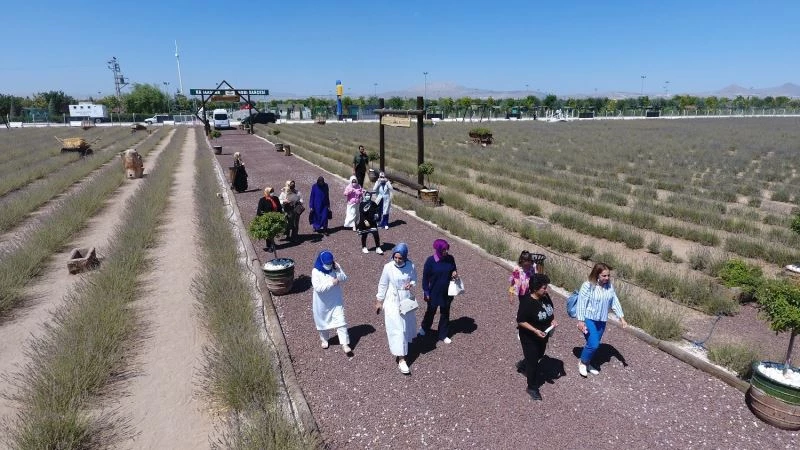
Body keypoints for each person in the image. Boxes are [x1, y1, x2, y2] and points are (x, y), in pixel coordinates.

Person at [576, 262, 628, 377]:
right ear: (597, 275)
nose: (607, 278)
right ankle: (582, 362)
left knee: (594, 343)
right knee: (593, 344)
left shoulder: (609, 286)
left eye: (608, 275)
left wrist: (622, 318)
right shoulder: (587, 285)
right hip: (589, 319)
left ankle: (588, 363)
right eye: (604, 276)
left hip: (602, 321)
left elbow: (614, 301)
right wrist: (580, 321)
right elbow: (581, 303)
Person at [375, 243, 418, 375]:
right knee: (397, 329)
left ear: (405, 257)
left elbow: (414, 279)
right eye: (396, 257)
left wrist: (410, 284)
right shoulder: (388, 267)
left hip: (405, 300)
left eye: (400, 258)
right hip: (392, 300)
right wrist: (379, 301)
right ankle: (401, 359)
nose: (398, 260)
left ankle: (403, 348)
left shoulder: (411, 266)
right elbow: (383, 284)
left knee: (406, 327)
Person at [517, 273, 557, 401]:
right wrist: (535, 331)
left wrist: (553, 321)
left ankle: (524, 364)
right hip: (530, 337)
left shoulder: (545, 297)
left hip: (543, 335)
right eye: (544, 288)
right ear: (535, 288)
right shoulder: (527, 302)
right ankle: (532, 387)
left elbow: (550, 311)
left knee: (539, 355)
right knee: (533, 362)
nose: (546, 290)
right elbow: (521, 320)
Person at [311, 250, 352, 355]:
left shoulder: (334, 267)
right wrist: (331, 283)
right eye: (327, 264)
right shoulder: (316, 272)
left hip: (335, 301)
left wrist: (338, 269)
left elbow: (344, 278)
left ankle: (345, 343)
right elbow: (318, 288)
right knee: (323, 322)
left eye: (330, 263)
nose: (329, 265)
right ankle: (324, 339)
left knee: (341, 321)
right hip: (322, 303)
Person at [420, 239, 458, 344]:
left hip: (447, 292)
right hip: (434, 292)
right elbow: (425, 278)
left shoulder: (450, 259)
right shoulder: (430, 261)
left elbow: (453, 269)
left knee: (445, 313)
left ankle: (443, 334)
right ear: (438, 249)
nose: (446, 251)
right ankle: (424, 327)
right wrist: (426, 292)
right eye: (444, 250)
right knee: (431, 311)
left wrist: (454, 273)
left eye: (447, 249)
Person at [256, 186, 283, 251]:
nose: (272, 193)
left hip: (275, 218)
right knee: (269, 233)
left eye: (272, 191)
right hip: (267, 219)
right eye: (270, 192)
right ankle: (269, 246)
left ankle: (272, 243)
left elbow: (279, 207)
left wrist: (281, 215)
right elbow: (259, 211)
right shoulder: (262, 200)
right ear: (267, 192)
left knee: (274, 232)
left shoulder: (276, 198)